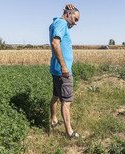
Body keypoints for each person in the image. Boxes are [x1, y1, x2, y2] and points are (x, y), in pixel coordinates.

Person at [49, 4, 80, 139]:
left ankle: (54, 120)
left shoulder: (57, 23)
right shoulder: (61, 23)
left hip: (56, 70)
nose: (76, 23)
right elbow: (55, 43)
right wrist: (64, 66)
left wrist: (67, 8)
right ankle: (69, 133)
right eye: (75, 19)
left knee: (56, 96)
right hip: (63, 72)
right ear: (68, 15)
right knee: (66, 101)